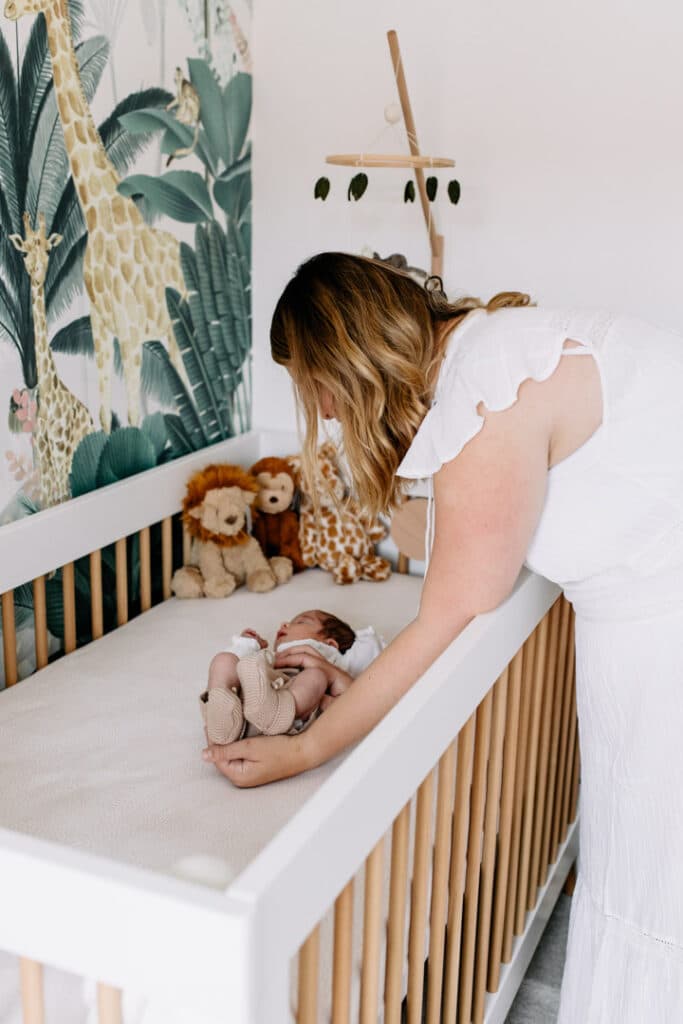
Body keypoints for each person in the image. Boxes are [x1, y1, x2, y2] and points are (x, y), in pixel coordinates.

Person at [203, 251, 683, 1021]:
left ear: (346, 359)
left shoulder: (488, 384)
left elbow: (449, 611)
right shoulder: (490, 357)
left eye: (316, 389)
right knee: (645, 868)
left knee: (658, 876)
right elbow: (467, 534)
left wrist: (304, 748)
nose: (323, 414)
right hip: (640, 629)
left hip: (663, 638)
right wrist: (392, 499)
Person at [199, 609, 356, 744]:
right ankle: (220, 715)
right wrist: (246, 644)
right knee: (224, 660)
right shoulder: (265, 656)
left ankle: (273, 711)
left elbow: (361, 656)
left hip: (286, 712)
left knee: (316, 677)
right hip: (240, 712)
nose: (284, 624)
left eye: (301, 622)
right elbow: (238, 663)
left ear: (330, 644)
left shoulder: (324, 655)